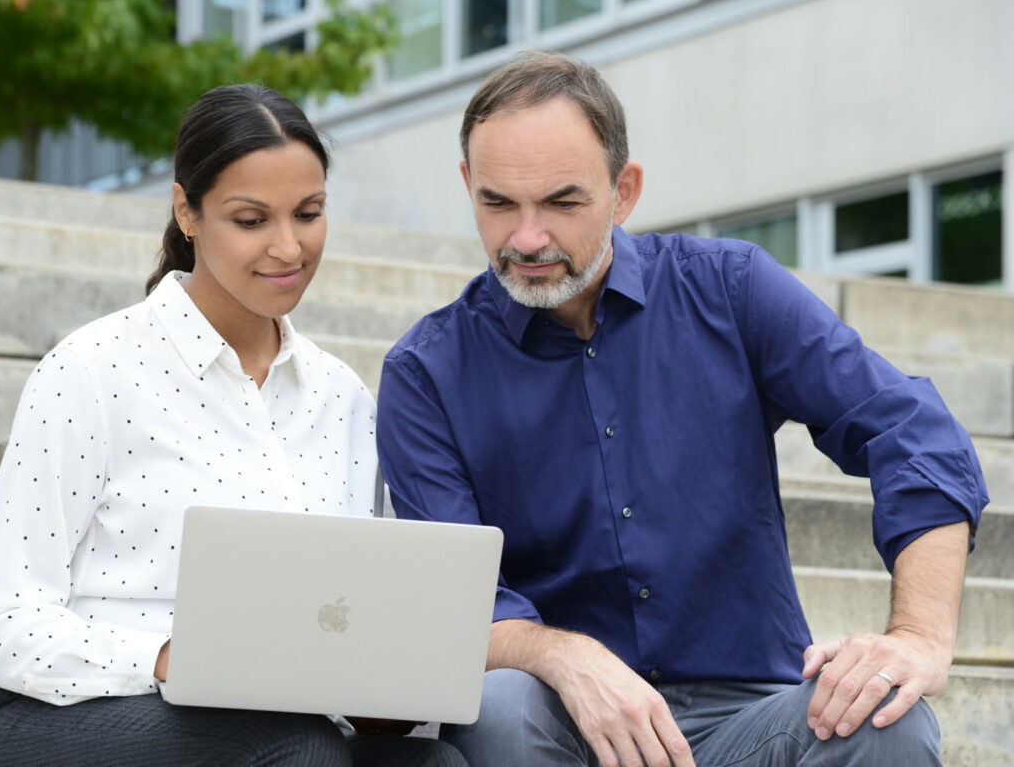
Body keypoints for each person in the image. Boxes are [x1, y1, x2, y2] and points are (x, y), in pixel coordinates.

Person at [375, 51, 989, 767]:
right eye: (498, 203)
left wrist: (916, 636)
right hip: (566, 725)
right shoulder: (424, 372)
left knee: (888, 718)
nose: (527, 238)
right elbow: (450, 603)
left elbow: (913, 432)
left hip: (752, 714)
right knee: (502, 708)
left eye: (563, 202)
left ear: (624, 191)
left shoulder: (730, 289)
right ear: (467, 186)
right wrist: (562, 655)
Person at [0, 84, 466, 767]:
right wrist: (170, 658)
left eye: (308, 213)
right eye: (251, 220)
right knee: (301, 751)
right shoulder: (92, 371)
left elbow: (340, 615)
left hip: (266, 726)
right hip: (50, 720)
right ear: (185, 211)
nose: (289, 247)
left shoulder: (341, 398)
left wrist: (379, 691)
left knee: (437, 764)